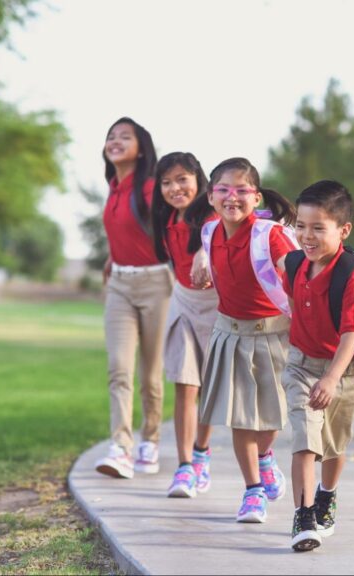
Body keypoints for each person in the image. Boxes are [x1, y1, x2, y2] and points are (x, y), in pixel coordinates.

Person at [185, 157, 297, 523]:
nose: (232, 197)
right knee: (240, 417)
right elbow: (207, 246)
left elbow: (292, 268)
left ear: (257, 197)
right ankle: (252, 492)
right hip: (229, 333)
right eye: (223, 190)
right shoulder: (210, 231)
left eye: (242, 190)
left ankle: (265, 458)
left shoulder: (270, 235)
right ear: (211, 196)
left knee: (273, 416)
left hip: (274, 334)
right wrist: (202, 257)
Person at [281, 180, 354, 552]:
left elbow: (351, 332)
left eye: (318, 227)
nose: (306, 236)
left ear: (343, 230)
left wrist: (332, 378)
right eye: (300, 226)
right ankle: (303, 515)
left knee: (333, 444)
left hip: (343, 371)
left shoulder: (350, 274)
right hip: (300, 365)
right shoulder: (295, 263)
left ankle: (327, 494)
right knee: (305, 439)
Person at [93, 117, 171, 480]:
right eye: (111, 136)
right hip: (120, 286)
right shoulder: (113, 186)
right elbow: (124, 229)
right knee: (118, 369)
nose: (115, 141)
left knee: (151, 374)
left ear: (142, 149)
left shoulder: (153, 186)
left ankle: (149, 442)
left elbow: (174, 225)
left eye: (125, 137)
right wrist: (113, 256)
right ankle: (120, 447)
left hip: (158, 284)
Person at [150, 152, 217, 498]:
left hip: (217, 308)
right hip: (183, 304)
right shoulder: (164, 219)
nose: (175, 188)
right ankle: (184, 466)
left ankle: (202, 453)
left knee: (208, 387)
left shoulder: (213, 215)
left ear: (198, 180)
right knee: (184, 383)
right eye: (166, 182)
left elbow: (214, 236)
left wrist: (205, 252)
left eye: (182, 179)